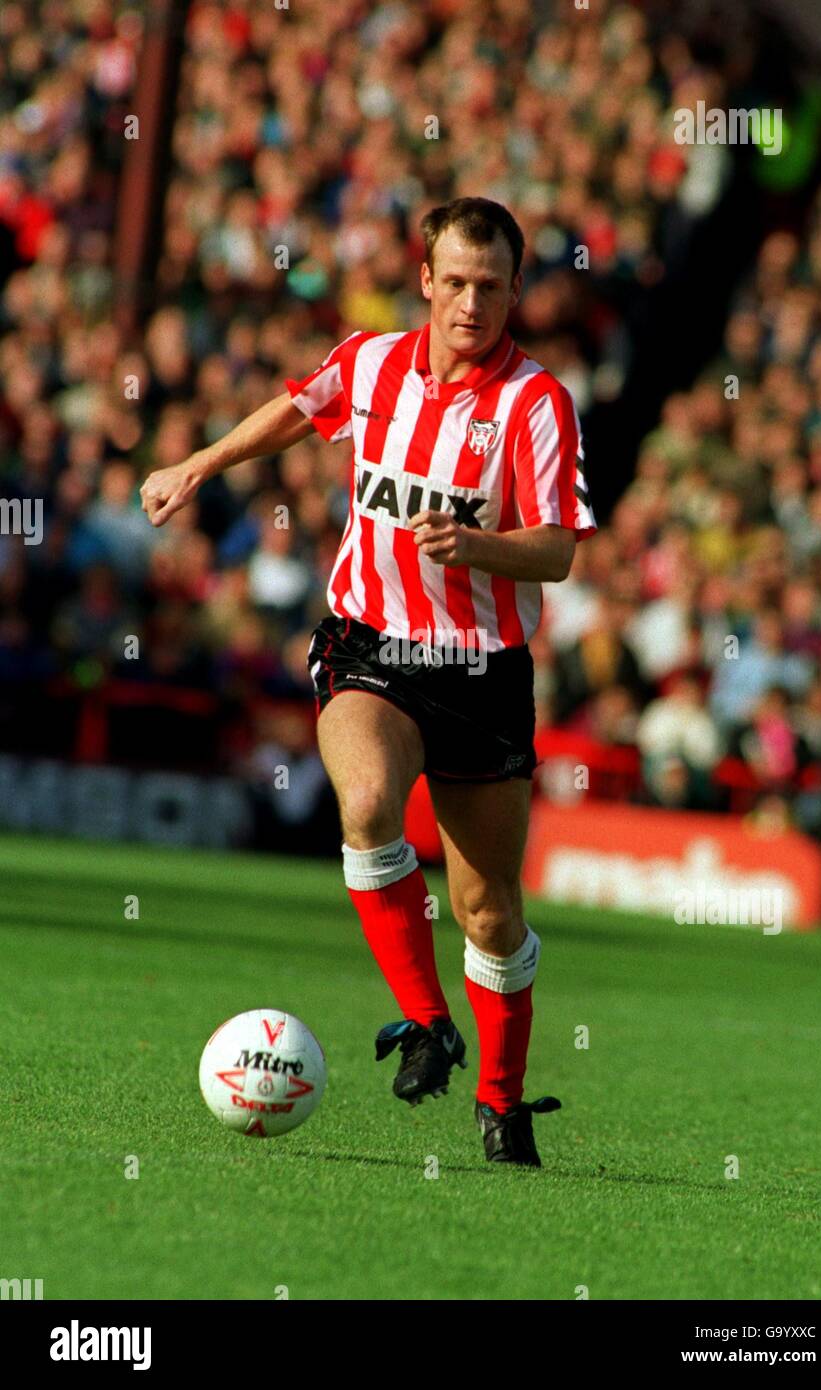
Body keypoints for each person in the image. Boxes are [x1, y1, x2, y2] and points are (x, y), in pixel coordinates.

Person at [140, 197, 597, 1166]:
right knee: (366, 804)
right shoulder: (371, 362)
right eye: (455, 282)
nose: (471, 303)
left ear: (516, 291)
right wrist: (200, 460)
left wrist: (473, 542)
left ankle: (500, 1100)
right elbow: (298, 409)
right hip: (369, 646)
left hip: (480, 671)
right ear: (424, 279)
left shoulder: (534, 403)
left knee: (488, 912)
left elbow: (555, 549)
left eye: (491, 286)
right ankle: (426, 1021)